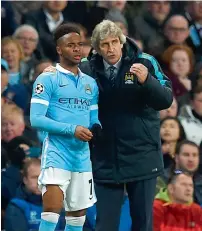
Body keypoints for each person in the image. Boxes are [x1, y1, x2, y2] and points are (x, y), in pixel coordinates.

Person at [44, 19, 173, 231]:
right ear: (96, 47)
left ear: (122, 42)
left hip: (142, 155)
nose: (111, 48)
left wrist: (147, 81)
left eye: (115, 42)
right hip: (104, 158)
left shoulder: (145, 62)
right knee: (104, 224)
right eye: (105, 44)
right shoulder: (85, 69)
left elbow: (166, 100)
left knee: (143, 224)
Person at [30, 23, 101, 231]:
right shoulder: (47, 78)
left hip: (82, 158)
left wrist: (96, 129)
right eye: (71, 45)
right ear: (59, 49)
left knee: (77, 218)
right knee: (52, 210)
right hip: (56, 153)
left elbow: (94, 118)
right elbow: (36, 119)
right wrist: (72, 129)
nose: (77, 49)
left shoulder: (90, 83)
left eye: (80, 44)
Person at [4, 158, 65, 231]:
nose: (39, 182)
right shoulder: (16, 206)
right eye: (35, 177)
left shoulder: (58, 204)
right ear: (25, 180)